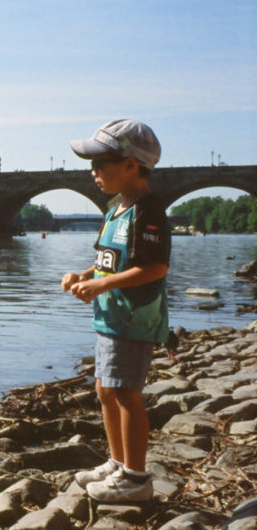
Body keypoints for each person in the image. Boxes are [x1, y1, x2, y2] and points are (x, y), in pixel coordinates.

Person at [61, 119, 170, 503]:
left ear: (131, 165)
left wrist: (101, 284)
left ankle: (136, 478)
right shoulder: (116, 209)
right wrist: (85, 274)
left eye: (101, 163)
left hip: (133, 319)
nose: (93, 172)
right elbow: (108, 261)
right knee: (105, 390)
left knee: (126, 393)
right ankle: (117, 462)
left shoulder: (148, 211)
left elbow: (154, 267)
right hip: (110, 317)